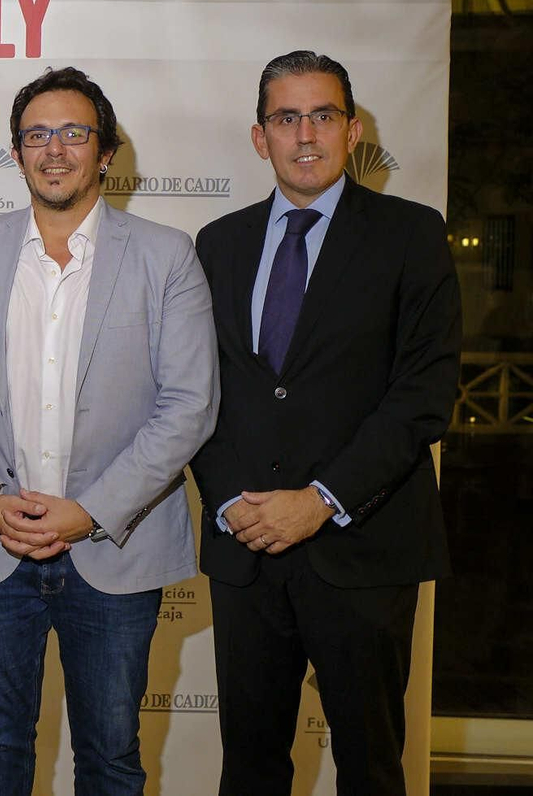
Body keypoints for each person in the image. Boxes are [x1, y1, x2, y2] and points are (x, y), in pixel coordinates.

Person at [0, 67, 218, 795]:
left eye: (74, 132)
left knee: (112, 756)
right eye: (36, 134)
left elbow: (189, 405)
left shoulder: (165, 256)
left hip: (116, 549)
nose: (54, 149)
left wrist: (88, 510)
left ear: (107, 152)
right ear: (17, 152)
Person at [191, 49, 461, 794]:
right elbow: (197, 394)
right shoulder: (219, 244)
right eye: (286, 117)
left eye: (323, 115)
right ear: (260, 137)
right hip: (246, 550)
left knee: (370, 767)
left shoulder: (411, 234)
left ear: (353, 128)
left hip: (363, 547)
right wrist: (230, 504)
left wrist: (320, 501)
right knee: (249, 767)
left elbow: (423, 394)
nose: (305, 133)